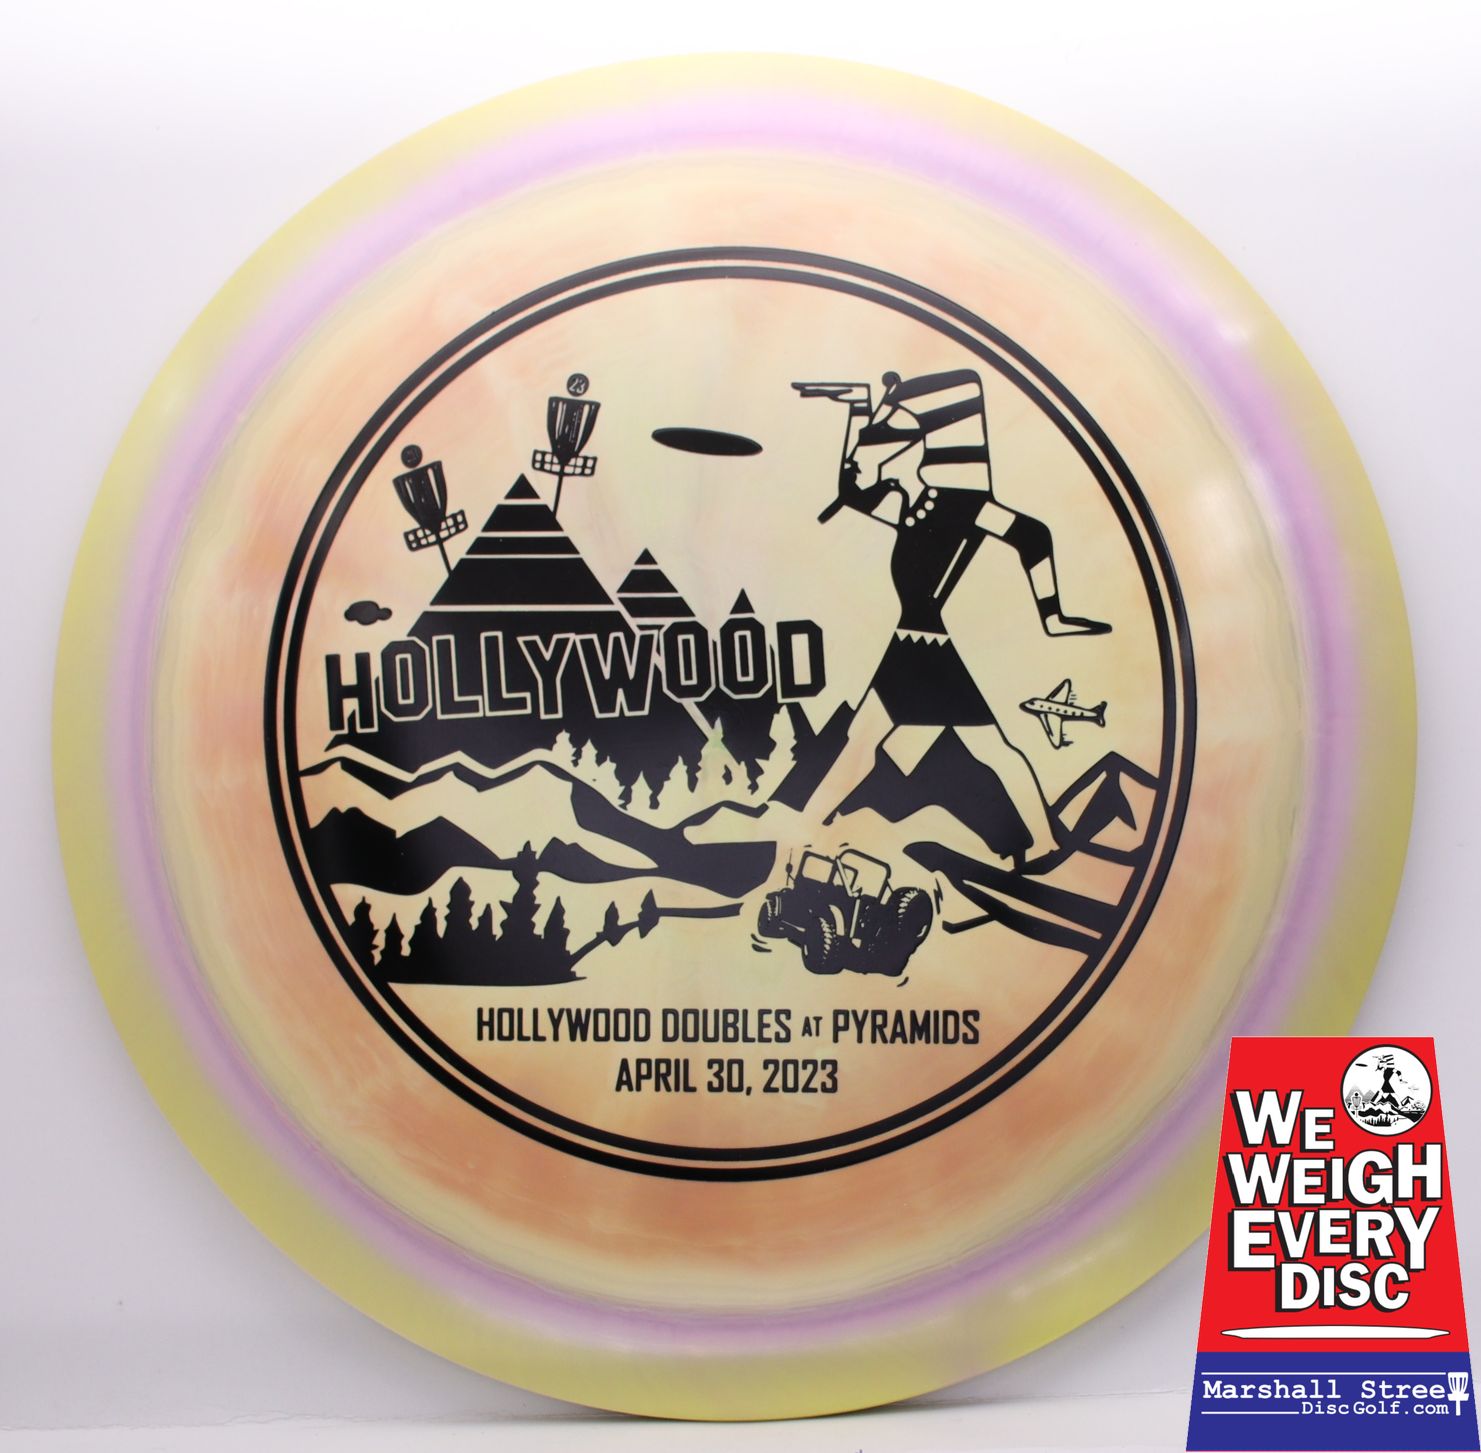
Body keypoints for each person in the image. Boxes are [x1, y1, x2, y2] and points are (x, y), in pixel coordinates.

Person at [790, 369, 1110, 866]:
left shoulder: (964, 506)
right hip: (912, 647)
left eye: (888, 439)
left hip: (926, 652)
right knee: (871, 742)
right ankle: (807, 827)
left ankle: (1046, 839)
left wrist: (1053, 614)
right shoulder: (908, 508)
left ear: (916, 449)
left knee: (984, 750)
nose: (873, 452)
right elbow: (851, 490)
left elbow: (1033, 536)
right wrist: (856, 410)